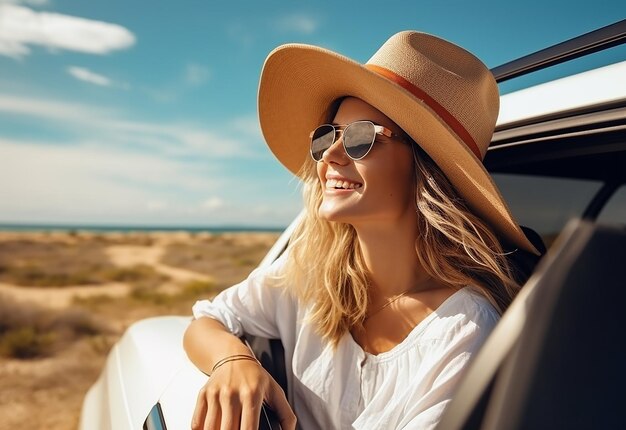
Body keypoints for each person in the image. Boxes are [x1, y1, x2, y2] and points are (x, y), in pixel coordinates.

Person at [184, 30, 542, 430]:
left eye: (360, 138)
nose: (330, 155)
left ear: (426, 169)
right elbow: (208, 320)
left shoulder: (464, 329)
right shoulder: (311, 277)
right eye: (328, 135)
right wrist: (233, 362)